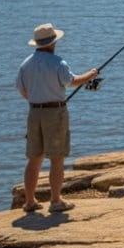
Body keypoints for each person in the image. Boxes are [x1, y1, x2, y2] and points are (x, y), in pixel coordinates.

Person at [15, 23, 98, 213]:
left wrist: (38, 99)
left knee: (34, 158)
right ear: (53, 43)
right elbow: (73, 82)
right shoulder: (58, 63)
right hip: (55, 112)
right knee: (57, 158)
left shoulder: (26, 64)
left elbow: (22, 90)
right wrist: (91, 74)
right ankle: (55, 201)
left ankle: (29, 202)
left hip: (34, 112)